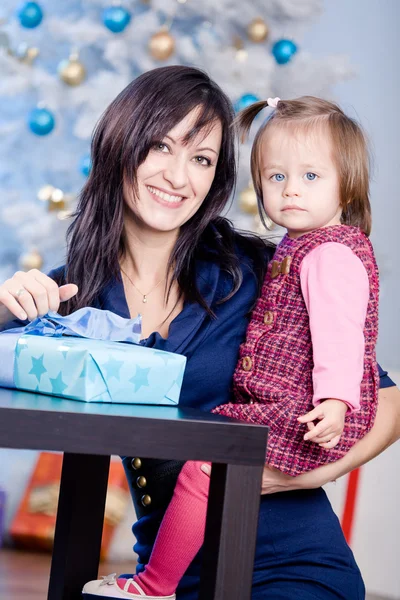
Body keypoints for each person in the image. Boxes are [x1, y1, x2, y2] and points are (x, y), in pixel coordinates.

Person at [0, 67, 397, 600]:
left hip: (290, 568)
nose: (178, 177)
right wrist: (5, 306)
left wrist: (292, 476)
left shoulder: (261, 273)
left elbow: (389, 400)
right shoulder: (74, 293)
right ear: (122, 144)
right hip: (159, 578)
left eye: (202, 159)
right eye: (161, 146)